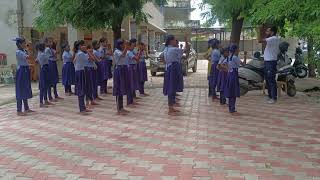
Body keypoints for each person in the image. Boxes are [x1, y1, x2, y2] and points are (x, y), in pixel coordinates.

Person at [163, 35, 186, 115]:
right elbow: (185, 50)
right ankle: (170, 109)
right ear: (171, 41)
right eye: (175, 40)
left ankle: (171, 107)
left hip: (168, 68)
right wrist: (186, 40)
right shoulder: (174, 49)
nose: (176, 41)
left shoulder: (166, 49)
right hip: (173, 69)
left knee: (171, 87)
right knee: (172, 88)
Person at [14, 37, 34, 116]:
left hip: (25, 70)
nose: (25, 44)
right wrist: (30, 48)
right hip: (21, 72)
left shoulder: (23, 51)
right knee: (20, 90)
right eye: (24, 43)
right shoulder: (19, 52)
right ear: (19, 44)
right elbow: (29, 57)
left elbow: (25, 61)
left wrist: (28, 65)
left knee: (25, 89)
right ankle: (19, 110)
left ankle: (26, 108)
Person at [263, 26, 280, 104]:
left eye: (268, 31)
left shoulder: (272, 39)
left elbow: (260, 40)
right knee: (268, 79)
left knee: (271, 80)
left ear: (272, 32)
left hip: (270, 62)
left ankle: (273, 97)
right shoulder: (271, 39)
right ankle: (270, 96)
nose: (266, 32)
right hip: (267, 62)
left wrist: (259, 30)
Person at [74, 40, 92, 115]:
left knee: (82, 89)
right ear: (79, 46)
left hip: (80, 71)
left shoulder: (79, 53)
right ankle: (82, 109)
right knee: (81, 90)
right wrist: (88, 51)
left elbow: (74, 61)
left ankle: (83, 107)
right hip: (81, 72)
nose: (85, 46)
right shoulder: (81, 54)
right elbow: (91, 58)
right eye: (83, 45)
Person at [113, 40, 130, 115]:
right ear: (120, 45)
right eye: (123, 44)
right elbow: (122, 55)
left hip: (123, 69)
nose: (124, 46)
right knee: (118, 88)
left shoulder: (123, 51)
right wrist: (126, 47)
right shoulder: (116, 51)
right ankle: (118, 108)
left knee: (122, 88)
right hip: (119, 70)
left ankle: (121, 107)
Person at [45, 37, 63, 102]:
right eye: (49, 41)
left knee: (55, 80)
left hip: (53, 64)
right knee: (50, 80)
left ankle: (56, 94)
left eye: (51, 41)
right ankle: (50, 96)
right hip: (50, 64)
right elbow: (50, 57)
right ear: (46, 43)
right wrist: (54, 57)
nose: (51, 43)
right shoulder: (47, 49)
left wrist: (57, 44)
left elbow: (57, 52)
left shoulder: (51, 49)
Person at [224, 44, 241, 115]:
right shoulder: (235, 57)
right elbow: (242, 64)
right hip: (234, 75)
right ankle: (232, 109)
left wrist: (228, 69)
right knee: (233, 92)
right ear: (236, 50)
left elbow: (223, 63)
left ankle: (231, 108)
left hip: (229, 75)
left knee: (230, 92)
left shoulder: (228, 57)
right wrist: (245, 56)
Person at [36, 42, 53, 108]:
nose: (45, 48)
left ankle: (45, 100)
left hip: (45, 69)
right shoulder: (42, 54)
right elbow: (50, 56)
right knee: (43, 86)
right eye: (44, 47)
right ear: (42, 48)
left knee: (46, 85)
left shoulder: (40, 53)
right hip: (44, 69)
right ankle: (41, 102)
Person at [126, 40, 142, 106]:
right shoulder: (129, 52)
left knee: (133, 83)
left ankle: (131, 100)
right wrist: (140, 51)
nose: (133, 47)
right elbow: (137, 58)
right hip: (130, 68)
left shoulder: (131, 51)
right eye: (132, 46)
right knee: (130, 84)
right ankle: (129, 101)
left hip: (132, 67)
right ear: (129, 46)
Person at [85, 44, 99, 108]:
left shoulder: (91, 53)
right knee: (88, 86)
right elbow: (93, 59)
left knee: (92, 85)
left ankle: (92, 99)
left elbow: (96, 60)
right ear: (88, 49)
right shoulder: (86, 55)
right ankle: (87, 101)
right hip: (88, 70)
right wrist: (89, 53)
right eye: (91, 48)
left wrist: (91, 53)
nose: (92, 50)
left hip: (92, 70)